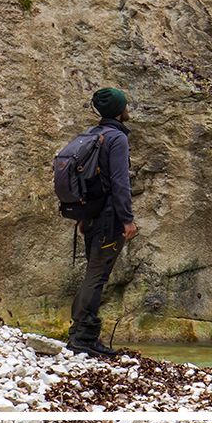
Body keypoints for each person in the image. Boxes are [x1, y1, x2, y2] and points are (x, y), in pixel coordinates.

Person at [67, 87, 138, 357]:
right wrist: (127, 219)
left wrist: (84, 218)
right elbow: (121, 183)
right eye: (126, 105)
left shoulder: (91, 135)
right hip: (110, 218)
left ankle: (79, 334)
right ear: (120, 110)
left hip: (92, 215)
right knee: (97, 276)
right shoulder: (116, 138)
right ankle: (83, 337)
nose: (128, 109)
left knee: (92, 273)